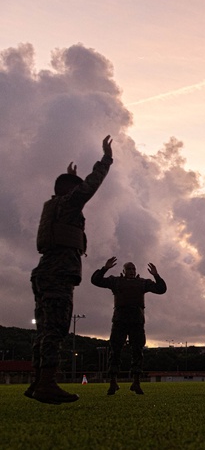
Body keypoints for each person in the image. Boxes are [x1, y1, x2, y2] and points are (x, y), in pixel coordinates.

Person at [27, 135, 114, 405]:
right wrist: (106, 159)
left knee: (44, 330)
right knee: (55, 329)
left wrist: (68, 178)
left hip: (45, 272)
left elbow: (72, 189)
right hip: (58, 274)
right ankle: (46, 384)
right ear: (69, 191)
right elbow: (89, 186)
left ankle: (37, 381)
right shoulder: (68, 203)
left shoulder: (54, 206)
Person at [90, 258, 167, 395]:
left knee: (137, 352)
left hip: (137, 321)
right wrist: (105, 268)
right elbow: (96, 280)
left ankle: (136, 382)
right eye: (129, 269)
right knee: (115, 351)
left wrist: (156, 275)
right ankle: (113, 382)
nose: (131, 271)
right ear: (123, 271)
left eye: (133, 269)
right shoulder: (115, 281)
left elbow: (161, 289)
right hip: (120, 321)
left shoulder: (142, 283)